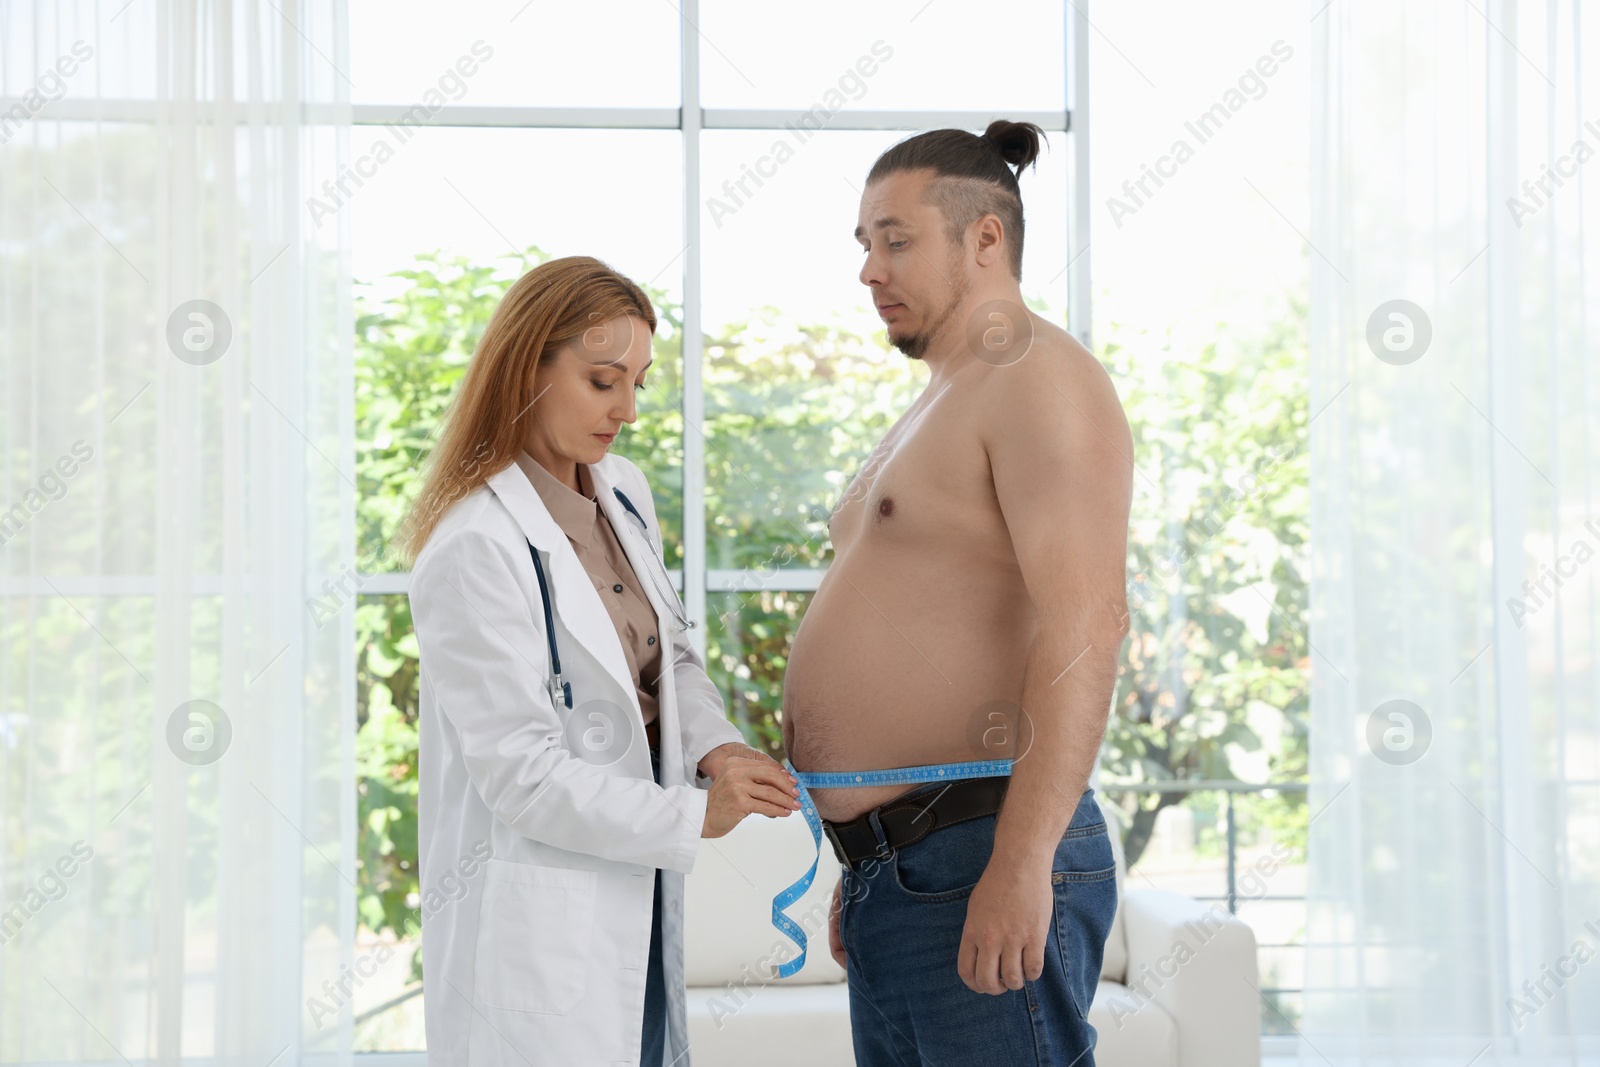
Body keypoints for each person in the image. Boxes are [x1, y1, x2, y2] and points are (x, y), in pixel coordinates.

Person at [782, 120, 1134, 1065]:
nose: (869, 269)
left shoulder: (1035, 376)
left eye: (896, 240)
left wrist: (1019, 866)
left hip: (979, 851)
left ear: (984, 238)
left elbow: (1087, 624)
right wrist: (870, 863)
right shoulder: (944, 395)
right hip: (907, 874)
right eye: (864, 244)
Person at [401, 256, 802, 1067]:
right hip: (540, 927)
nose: (624, 409)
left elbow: (671, 658)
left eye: (638, 384)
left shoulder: (622, 490)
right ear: (529, 368)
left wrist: (715, 746)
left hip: (640, 900)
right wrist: (695, 814)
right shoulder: (473, 546)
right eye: (601, 380)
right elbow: (523, 775)